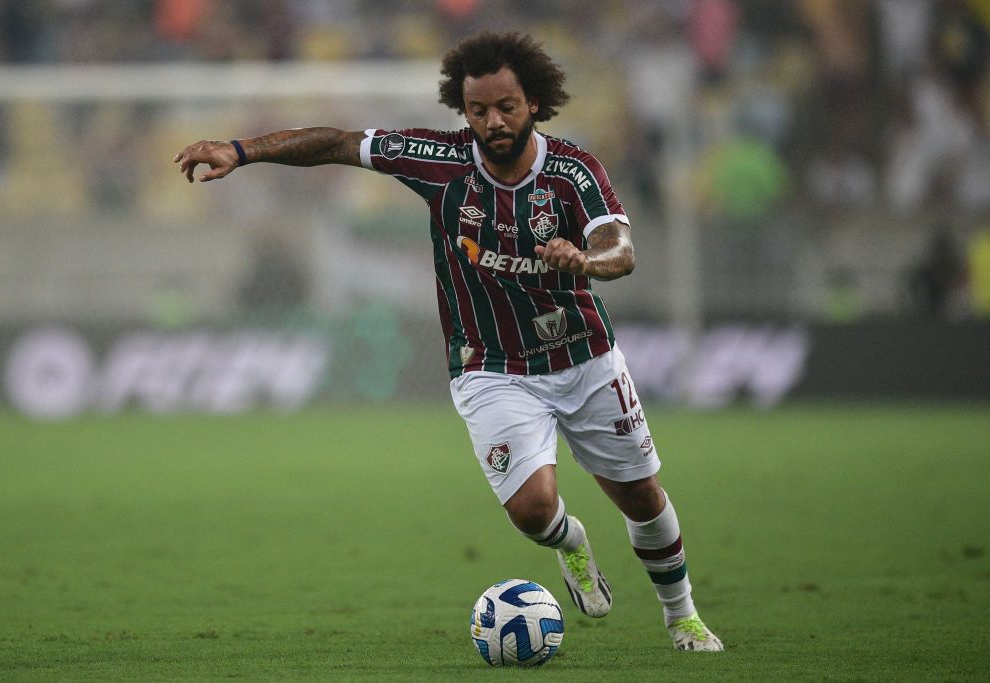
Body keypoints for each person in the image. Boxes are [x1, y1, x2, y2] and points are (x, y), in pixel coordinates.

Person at [174, 31, 723, 652]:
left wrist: (588, 262)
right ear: (463, 110)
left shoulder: (574, 170)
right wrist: (240, 151)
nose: (492, 122)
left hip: (584, 356)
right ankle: (571, 544)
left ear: (534, 103)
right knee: (534, 511)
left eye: (506, 107)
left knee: (641, 497)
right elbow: (336, 143)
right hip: (489, 366)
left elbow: (620, 246)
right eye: (478, 110)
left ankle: (683, 617)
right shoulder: (439, 161)